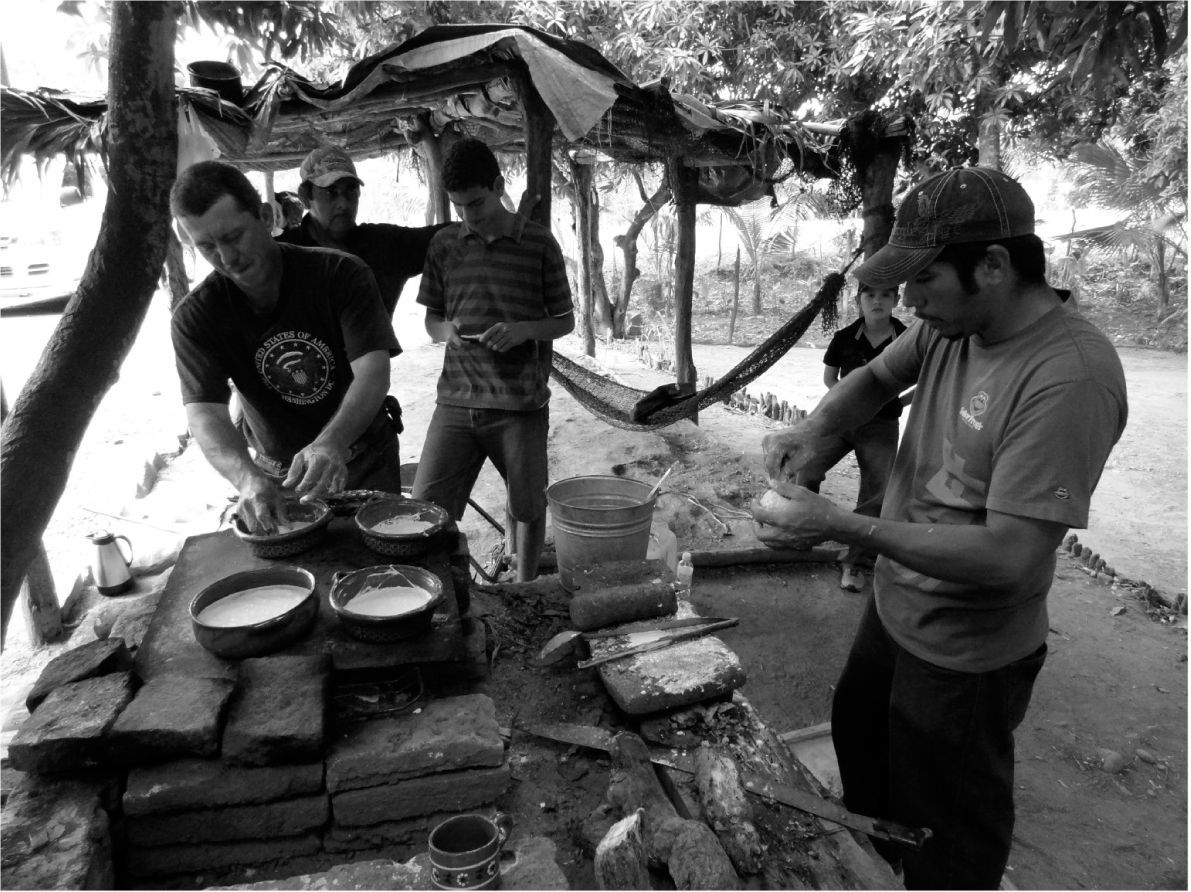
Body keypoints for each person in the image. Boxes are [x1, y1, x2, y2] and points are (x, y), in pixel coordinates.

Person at [752, 167, 1127, 890]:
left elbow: (1010, 555)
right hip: (897, 607)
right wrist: (814, 430)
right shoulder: (951, 326)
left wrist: (840, 525)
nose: (909, 302)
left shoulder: (1069, 377)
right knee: (863, 741)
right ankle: (879, 862)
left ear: (993, 265)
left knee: (946, 828)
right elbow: (873, 379)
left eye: (923, 280)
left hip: (968, 651)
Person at [170, 160, 403, 533]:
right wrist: (246, 478)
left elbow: (373, 371)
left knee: (382, 557)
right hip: (278, 479)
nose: (227, 258)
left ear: (265, 218)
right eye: (207, 247)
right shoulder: (196, 316)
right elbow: (204, 414)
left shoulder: (341, 274)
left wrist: (330, 443)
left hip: (365, 459)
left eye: (234, 237)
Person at [411, 138, 575, 582]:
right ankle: (441, 589)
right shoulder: (445, 244)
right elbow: (432, 319)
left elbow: (564, 321)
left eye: (477, 203)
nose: (469, 215)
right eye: (459, 206)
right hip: (456, 400)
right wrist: (447, 332)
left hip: (519, 403)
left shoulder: (538, 243)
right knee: (425, 509)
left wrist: (523, 330)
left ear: (499, 186)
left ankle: (524, 588)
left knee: (528, 506)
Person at [797, 282, 910, 593]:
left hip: (882, 426)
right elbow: (829, 378)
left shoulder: (907, 340)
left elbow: (927, 379)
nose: (877, 301)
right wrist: (849, 403)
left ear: (896, 299)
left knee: (877, 492)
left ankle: (855, 561)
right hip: (842, 420)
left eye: (885, 295)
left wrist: (898, 402)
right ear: (859, 300)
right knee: (806, 468)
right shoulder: (844, 337)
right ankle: (803, 533)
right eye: (870, 295)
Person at [277, 145, 447, 317]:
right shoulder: (283, 255)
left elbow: (448, 237)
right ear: (306, 197)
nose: (343, 204)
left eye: (350, 190)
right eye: (331, 192)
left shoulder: (384, 246)